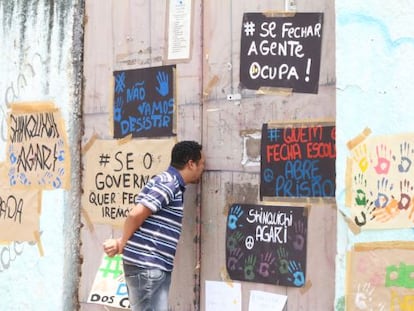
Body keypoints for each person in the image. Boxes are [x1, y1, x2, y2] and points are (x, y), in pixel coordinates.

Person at [103, 140, 205, 311]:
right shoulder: (169, 183)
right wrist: (122, 243)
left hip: (151, 266)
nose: (203, 169)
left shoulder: (169, 182)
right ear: (191, 164)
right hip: (148, 264)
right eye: (202, 164)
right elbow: (135, 214)